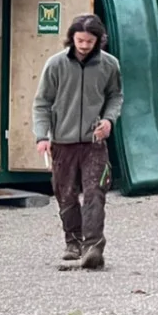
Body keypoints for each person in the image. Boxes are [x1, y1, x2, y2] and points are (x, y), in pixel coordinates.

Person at [32, 14, 123, 269]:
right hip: (62, 141)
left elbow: (115, 96)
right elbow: (42, 103)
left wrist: (109, 121)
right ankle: (73, 242)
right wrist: (42, 135)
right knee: (66, 194)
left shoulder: (110, 65)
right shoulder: (55, 64)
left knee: (95, 193)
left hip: (95, 142)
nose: (84, 45)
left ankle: (93, 247)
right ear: (72, 38)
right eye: (80, 40)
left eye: (89, 41)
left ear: (98, 41)